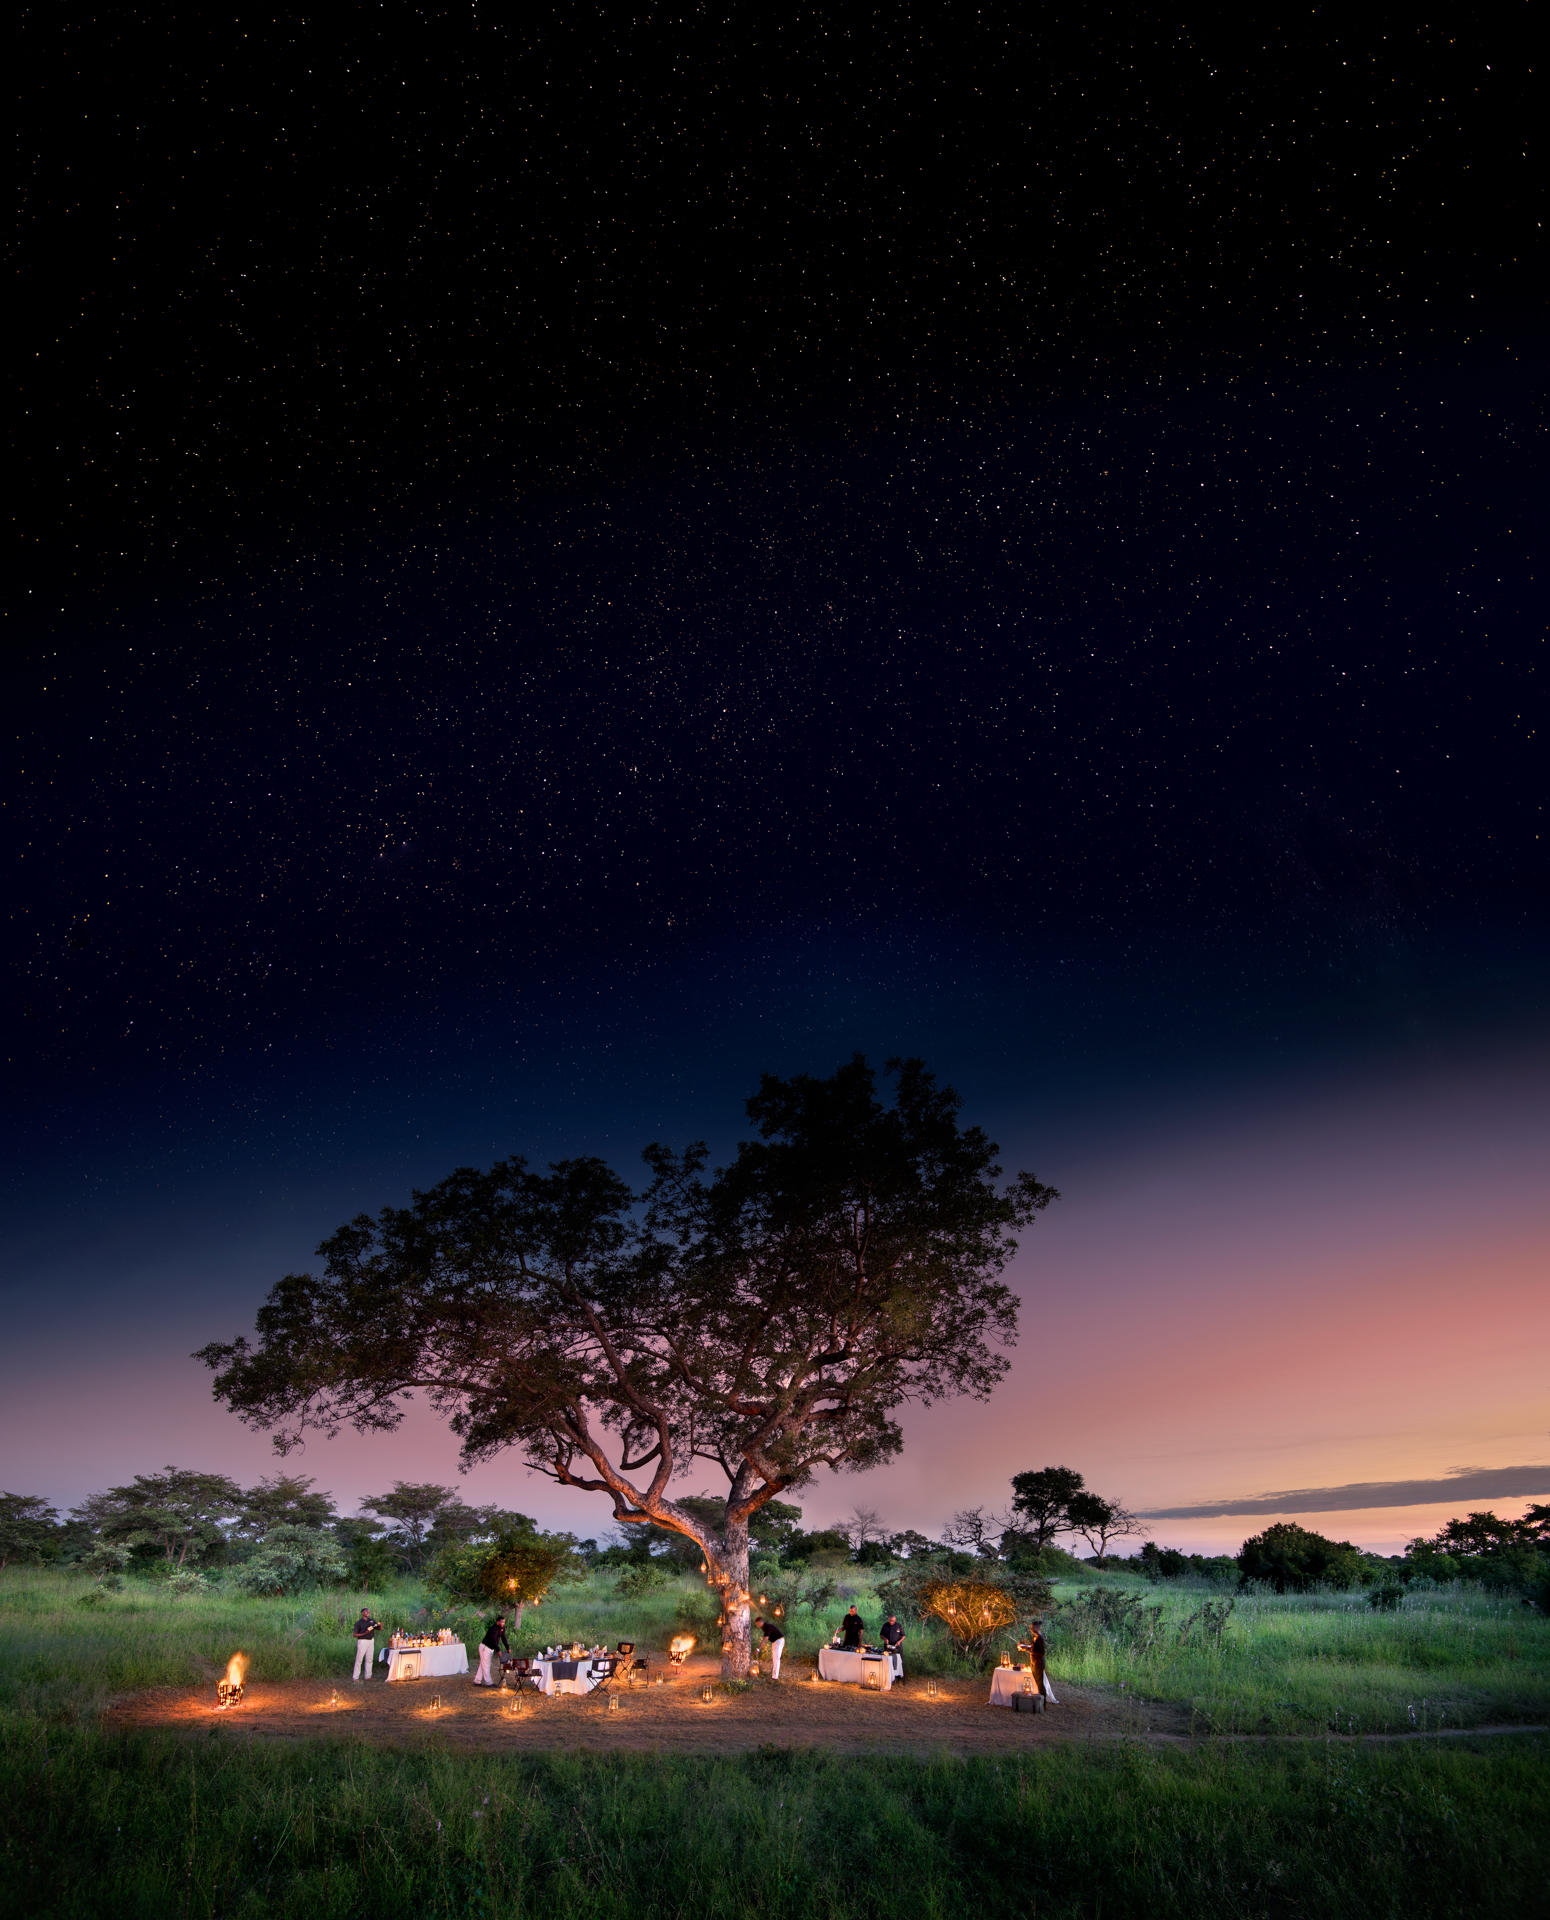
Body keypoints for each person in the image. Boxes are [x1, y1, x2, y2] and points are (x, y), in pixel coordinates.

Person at [1021, 1618, 1059, 1704]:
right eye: (1031, 1628)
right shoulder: (1036, 1637)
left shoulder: (1040, 1638)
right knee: (1037, 1682)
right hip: (1034, 1663)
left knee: (1040, 1684)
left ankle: (1043, 1702)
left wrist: (1029, 1650)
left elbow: (1041, 1652)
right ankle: (1041, 1700)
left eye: (1033, 1628)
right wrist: (1025, 1647)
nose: (1031, 1629)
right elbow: (1033, 1648)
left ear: (1037, 1628)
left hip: (1038, 1663)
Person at [475, 1613, 510, 1686]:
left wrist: (508, 1647)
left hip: (490, 1648)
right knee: (486, 1664)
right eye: (502, 1622)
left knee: (483, 1664)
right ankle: (488, 1682)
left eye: (504, 1622)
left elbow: (504, 1638)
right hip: (485, 1647)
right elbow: (493, 1640)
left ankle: (477, 1680)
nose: (503, 1623)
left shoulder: (502, 1628)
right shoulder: (493, 1629)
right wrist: (498, 1650)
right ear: (498, 1622)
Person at [352, 1605, 383, 1682]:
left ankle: (368, 1676)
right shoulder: (359, 1623)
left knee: (369, 1659)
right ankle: (355, 1677)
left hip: (371, 1641)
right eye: (366, 1611)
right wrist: (365, 1633)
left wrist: (380, 1625)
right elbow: (355, 1635)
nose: (368, 1612)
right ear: (362, 1613)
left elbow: (379, 1628)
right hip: (362, 1641)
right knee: (359, 1659)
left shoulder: (372, 1621)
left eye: (368, 1611)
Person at [756, 1614, 785, 1680]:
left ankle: (775, 1677)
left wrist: (758, 1649)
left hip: (778, 1641)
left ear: (761, 1622)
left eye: (758, 1624)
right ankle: (774, 1675)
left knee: (776, 1659)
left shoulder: (767, 1627)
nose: (757, 1626)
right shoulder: (764, 1627)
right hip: (775, 1642)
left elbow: (765, 1639)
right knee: (775, 1659)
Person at [880, 1610, 905, 1681]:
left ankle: (899, 1677)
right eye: (890, 1621)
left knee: (899, 1661)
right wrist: (885, 1639)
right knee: (887, 1661)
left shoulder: (899, 1626)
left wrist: (899, 1641)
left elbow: (904, 1636)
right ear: (888, 1619)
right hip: (888, 1646)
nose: (891, 1622)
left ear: (895, 1620)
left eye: (893, 1621)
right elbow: (881, 1635)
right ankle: (888, 1676)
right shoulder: (885, 1625)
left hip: (897, 1647)